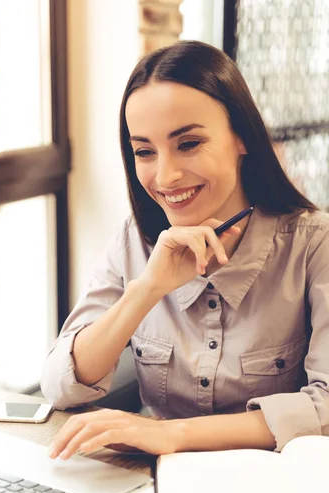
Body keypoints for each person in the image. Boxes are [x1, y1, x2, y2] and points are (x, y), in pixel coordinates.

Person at [42, 41, 329, 461]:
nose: (166, 176)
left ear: (242, 138)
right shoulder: (131, 240)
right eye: (144, 151)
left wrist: (174, 435)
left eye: (189, 143)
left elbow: (325, 410)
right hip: (150, 484)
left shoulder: (313, 243)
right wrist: (147, 288)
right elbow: (60, 384)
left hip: (274, 490)